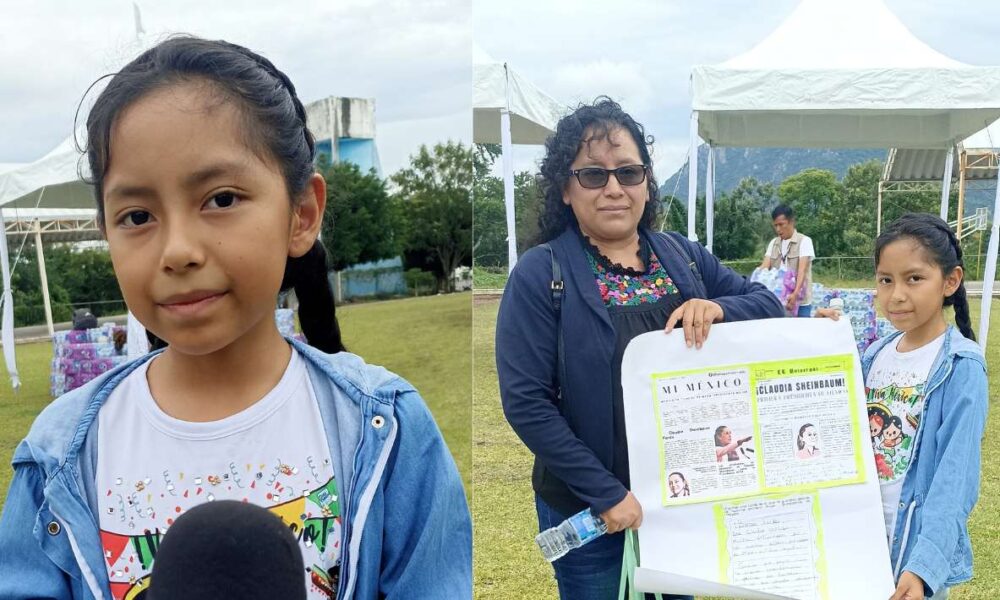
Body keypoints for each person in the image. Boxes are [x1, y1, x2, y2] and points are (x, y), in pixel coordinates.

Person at [0, 36, 471, 600]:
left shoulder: (388, 431)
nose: (177, 250)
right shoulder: (58, 454)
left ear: (301, 214)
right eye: (137, 215)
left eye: (220, 199)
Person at [495, 97, 783, 600]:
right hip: (590, 511)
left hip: (679, 501)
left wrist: (719, 309)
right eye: (592, 176)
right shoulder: (542, 274)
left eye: (628, 173)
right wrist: (607, 496)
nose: (613, 189)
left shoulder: (684, 258)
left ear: (647, 183)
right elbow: (527, 402)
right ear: (565, 188)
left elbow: (768, 304)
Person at [815, 213, 987, 599]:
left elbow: (954, 479)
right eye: (885, 280)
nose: (896, 295)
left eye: (914, 278)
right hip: (858, 542)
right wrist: (818, 340)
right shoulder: (875, 354)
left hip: (908, 551)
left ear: (951, 281)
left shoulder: (961, 367)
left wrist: (924, 566)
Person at [759, 204, 815, 317]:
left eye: (781, 224)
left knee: (802, 332)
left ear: (791, 222)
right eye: (775, 225)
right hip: (778, 302)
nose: (778, 229)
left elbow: (802, 271)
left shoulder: (804, 241)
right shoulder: (774, 243)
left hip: (800, 302)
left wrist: (795, 294)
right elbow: (764, 269)